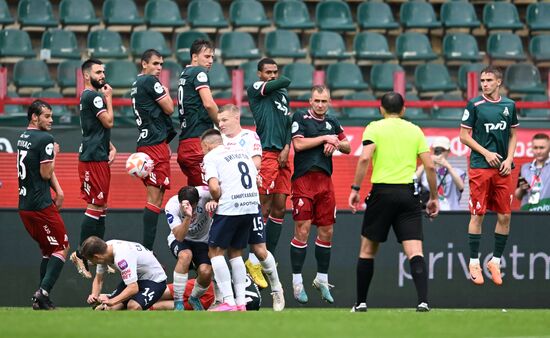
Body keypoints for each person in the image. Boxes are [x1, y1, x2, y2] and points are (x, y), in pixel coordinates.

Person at [349, 92, 439, 312]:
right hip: (408, 195)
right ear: (404, 110)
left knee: (367, 251)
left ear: (381, 109)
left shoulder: (374, 128)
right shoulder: (415, 130)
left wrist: (355, 189)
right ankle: (423, 301)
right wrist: (434, 197)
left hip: (382, 194)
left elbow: (364, 158)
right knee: (415, 251)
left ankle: (361, 302)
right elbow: (429, 166)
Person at [218, 104, 285, 311]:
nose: (220, 124)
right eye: (219, 121)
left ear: (236, 117)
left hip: (249, 201)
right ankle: (232, 300)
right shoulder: (218, 141)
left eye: (224, 120)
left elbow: (256, 163)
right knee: (230, 251)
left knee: (259, 249)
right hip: (228, 204)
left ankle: (277, 289)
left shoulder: (250, 137)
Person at [289, 86, 351, 305]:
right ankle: (297, 283)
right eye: (317, 100)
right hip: (304, 180)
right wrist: (326, 138)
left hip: (325, 181)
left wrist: (335, 142)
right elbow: (298, 143)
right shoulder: (300, 117)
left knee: (327, 230)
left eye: (324, 101)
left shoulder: (333, 122)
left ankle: (322, 280)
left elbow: (348, 146)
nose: (320, 104)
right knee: (303, 230)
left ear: (329, 102)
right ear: (310, 101)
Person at [459, 66, 518, 287]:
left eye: (489, 80)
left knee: (505, 216)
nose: (485, 83)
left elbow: (513, 134)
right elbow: (463, 136)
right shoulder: (474, 105)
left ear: (498, 82)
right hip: (480, 167)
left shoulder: (509, 105)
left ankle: (495, 261)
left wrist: (509, 158)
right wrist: (485, 152)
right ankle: (474, 262)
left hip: (503, 169)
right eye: (482, 80)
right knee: (478, 214)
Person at [17, 100, 70, 310]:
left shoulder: (24, 137)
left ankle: (41, 298)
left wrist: (59, 191)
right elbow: (46, 172)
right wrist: (55, 154)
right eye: (46, 116)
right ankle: (43, 292)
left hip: (24, 206)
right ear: (34, 117)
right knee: (62, 247)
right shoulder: (45, 138)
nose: (51, 120)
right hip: (41, 206)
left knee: (48, 250)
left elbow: (42, 170)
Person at [201, 129, 260, 311]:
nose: (203, 152)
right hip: (251, 205)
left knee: (215, 252)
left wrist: (216, 198)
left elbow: (213, 188)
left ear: (208, 145)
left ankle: (228, 300)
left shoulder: (211, 157)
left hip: (230, 207)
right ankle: (241, 302)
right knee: (236, 252)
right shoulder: (242, 152)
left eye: (202, 148)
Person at [70, 58, 117, 279]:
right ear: (86, 75)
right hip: (91, 158)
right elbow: (108, 122)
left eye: (103, 71)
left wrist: (109, 145)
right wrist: (109, 98)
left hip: (97, 153)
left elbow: (93, 127)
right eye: (98, 72)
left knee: (102, 205)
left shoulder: (88, 97)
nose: (102, 75)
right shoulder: (93, 96)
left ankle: (98, 254)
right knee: (95, 205)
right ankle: (80, 253)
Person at [130, 49, 176, 251]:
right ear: (144, 64)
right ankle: (146, 250)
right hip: (153, 145)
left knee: (157, 198)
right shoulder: (149, 81)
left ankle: (147, 249)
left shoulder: (137, 84)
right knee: (154, 197)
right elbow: (169, 108)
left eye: (161, 64)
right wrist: (165, 92)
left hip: (151, 143)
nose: (159, 68)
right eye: (155, 63)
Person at [247, 58, 292, 260]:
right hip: (265, 152)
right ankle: (254, 257)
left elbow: (287, 123)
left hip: (282, 154)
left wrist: (287, 146)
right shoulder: (257, 88)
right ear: (259, 74)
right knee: (263, 207)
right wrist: (280, 78)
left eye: (275, 71)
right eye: (268, 72)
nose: (273, 75)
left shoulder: (282, 95)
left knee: (280, 207)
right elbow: (286, 80)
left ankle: (268, 256)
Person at [164, 185, 217, 311]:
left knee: (206, 272)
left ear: (198, 200)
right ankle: (178, 302)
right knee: (185, 256)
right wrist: (188, 217)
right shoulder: (171, 206)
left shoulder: (205, 193)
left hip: (203, 240)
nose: (191, 209)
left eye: (193, 206)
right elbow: (180, 237)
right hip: (181, 239)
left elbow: (222, 191)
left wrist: (215, 200)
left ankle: (194, 297)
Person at [81, 236, 167, 311]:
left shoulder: (122, 257)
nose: (92, 263)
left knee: (133, 306)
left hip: (155, 281)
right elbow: (99, 280)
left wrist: (112, 301)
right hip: (136, 279)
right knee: (109, 309)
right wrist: (94, 295)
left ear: (96, 257)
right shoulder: (104, 250)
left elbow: (133, 288)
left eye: (91, 260)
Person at [177, 39, 218, 186]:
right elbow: (208, 104)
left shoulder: (184, 74)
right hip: (198, 142)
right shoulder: (199, 72)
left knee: (194, 194)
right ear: (194, 57)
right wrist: (221, 125)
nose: (211, 60)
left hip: (185, 142)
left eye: (212, 57)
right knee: (209, 192)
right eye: (207, 56)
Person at [147, 275, 262, 311]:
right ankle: (146, 308)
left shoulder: (244, 274)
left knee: (162, 292)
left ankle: (135, 301)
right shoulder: (257, 301)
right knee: (162, 306)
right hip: (213, 303)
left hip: (208, 287)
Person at [415, 137, 466, 211]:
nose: (439, 153)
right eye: (437, 150)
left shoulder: (457, 171)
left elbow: (461, 187)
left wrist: (448, 166)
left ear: (448, 151)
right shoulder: (425, 171)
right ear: (432, 150)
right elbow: (414, 181)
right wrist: (427, 163)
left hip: (452, 211)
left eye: (442, 150)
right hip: (430, 211)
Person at [515, 133, 550, 211]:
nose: (538, 151)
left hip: (547, 212)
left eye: (542, 148)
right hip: (528, 213)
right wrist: (521, 189)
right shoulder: (524, 168)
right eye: (535, 148)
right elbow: (518, 195)